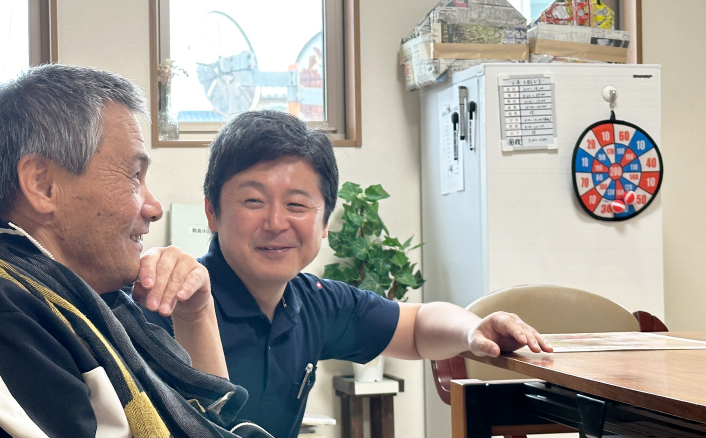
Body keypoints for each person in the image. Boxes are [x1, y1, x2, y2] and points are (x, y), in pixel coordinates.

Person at [0, 64, 269, 438]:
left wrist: (196, 314)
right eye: (134, 176)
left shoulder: (83, 300)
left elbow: (211, 424)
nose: (154, 207)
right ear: (43, 185)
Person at [142, 110, 553, 438]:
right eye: (253, 201)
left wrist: (472, 329)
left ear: (324, 222)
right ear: (212, 211)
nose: (275, 222)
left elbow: (415, 326)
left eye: (297, 205)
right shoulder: (167, 302)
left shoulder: (314, 301)